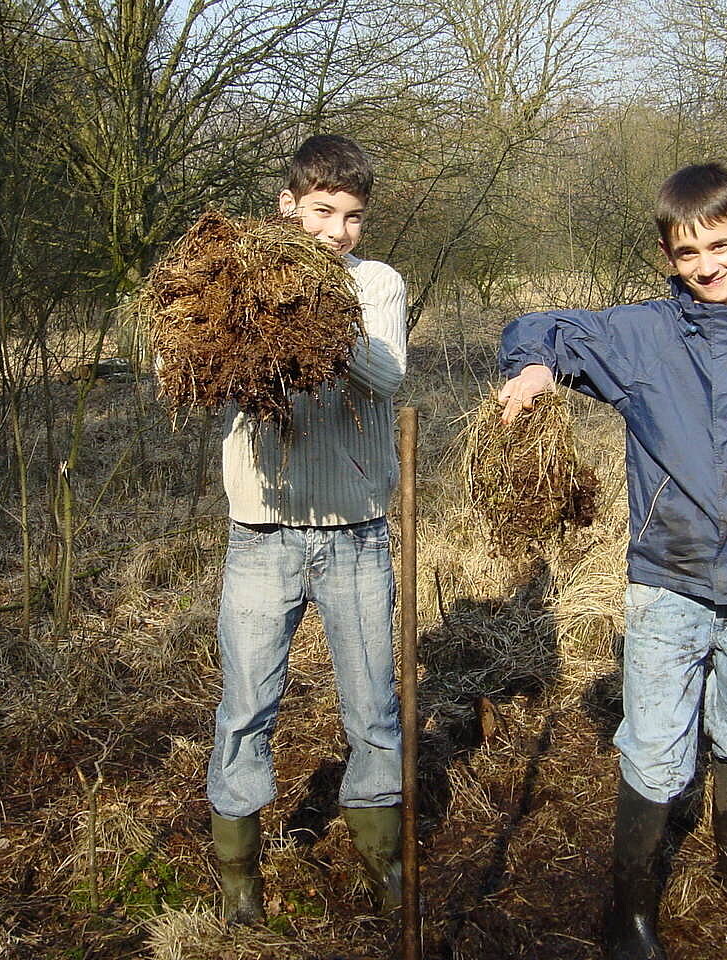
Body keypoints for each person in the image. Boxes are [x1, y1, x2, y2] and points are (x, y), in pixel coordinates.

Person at [497, 163, 727, 957]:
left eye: (719, 245)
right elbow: (540, 326)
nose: (706, 266)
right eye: (686, 252)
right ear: (667, 254)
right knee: (659, 747)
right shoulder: (643, 337)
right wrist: (534, 367)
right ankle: (630, 915)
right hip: (670, 581)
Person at [207, 134, 408, 924]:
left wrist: (315, 308)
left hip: (357, 530)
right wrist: (260, 298)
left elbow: (388, 375)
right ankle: (238, 876)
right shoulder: (237, 277)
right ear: (287, 204)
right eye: (323, 211)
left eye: (353, 216)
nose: (338, 231)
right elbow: (193, 364)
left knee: (373, 706)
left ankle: (383, 860)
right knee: (247, 704)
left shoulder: (376, 282)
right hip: (262, 527)